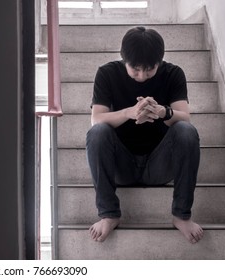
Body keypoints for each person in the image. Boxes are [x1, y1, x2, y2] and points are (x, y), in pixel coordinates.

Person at [85, 26, 204, 244]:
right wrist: (129, 113)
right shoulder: (107, 73)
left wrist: (162, 112)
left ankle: (181, 215)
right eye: (136, 69)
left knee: (186, 131)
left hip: (159, 165)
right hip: (122, 166)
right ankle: (109, 214)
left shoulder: (173, 73)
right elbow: (96, 119)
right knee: (98, 132)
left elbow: (185, 117)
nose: (142, 76)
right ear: (124, 59)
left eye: (149, 70)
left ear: (159, 62)